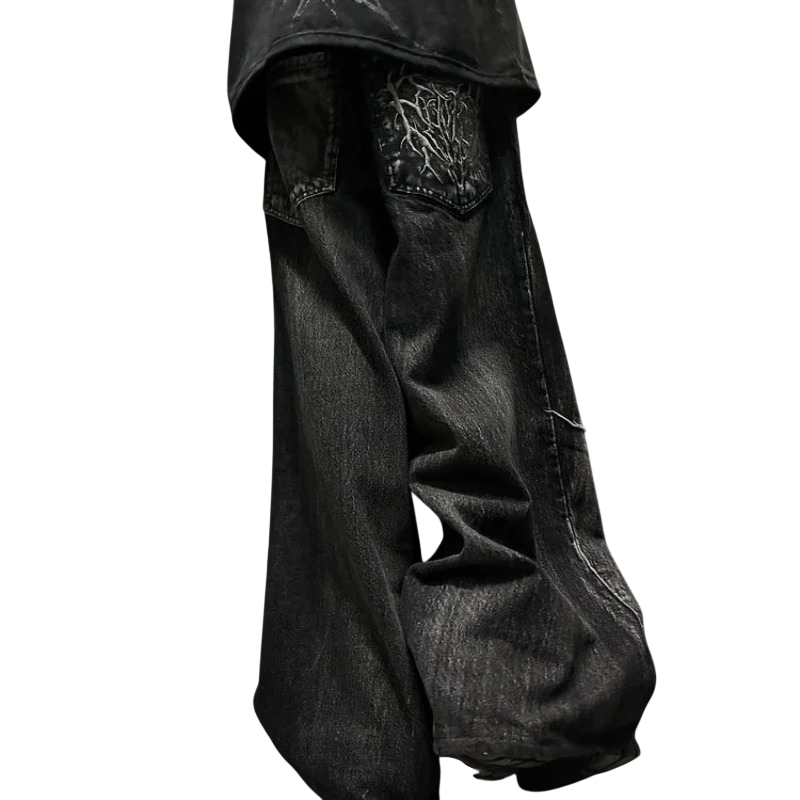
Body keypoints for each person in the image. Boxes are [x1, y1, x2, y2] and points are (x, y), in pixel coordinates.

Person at [227, 3, 656, 798]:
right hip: (428, 32)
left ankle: (366, 755)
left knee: (339, 413)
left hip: (288, 43)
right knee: (474, 373)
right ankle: (527, 691)